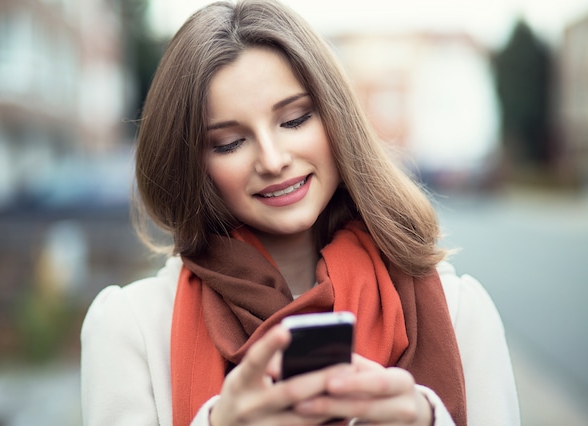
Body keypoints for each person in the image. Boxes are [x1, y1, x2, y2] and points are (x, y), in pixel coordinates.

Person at [80, 1, 520, 425]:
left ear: (335, 118)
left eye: (293, 120)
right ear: (192, 164)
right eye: (229, 142)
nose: (272, 160)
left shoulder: (461, 310)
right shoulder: (131, 329)